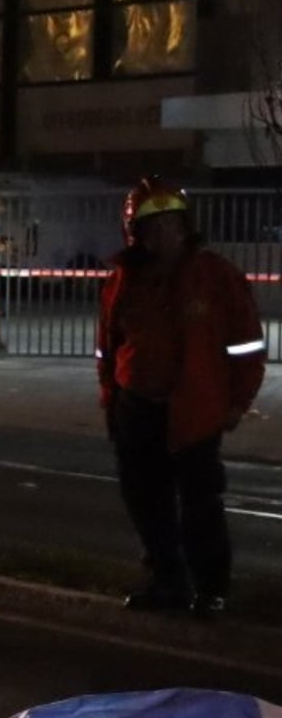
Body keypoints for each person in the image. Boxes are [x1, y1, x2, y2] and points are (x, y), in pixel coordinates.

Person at [96, 177, 266, 620]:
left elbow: (246, 345)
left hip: (194, 413)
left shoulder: (215, 276)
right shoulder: (123, 281)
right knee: (147, 506)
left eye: (171, 223)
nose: (163, 234)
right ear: (135, 232)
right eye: (152, 226)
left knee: (200, 508)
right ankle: (166, 581)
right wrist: (112, 402)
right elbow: (108, 348)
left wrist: (236, 402)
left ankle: (211, 590)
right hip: (137, 409)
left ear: (184, 225)